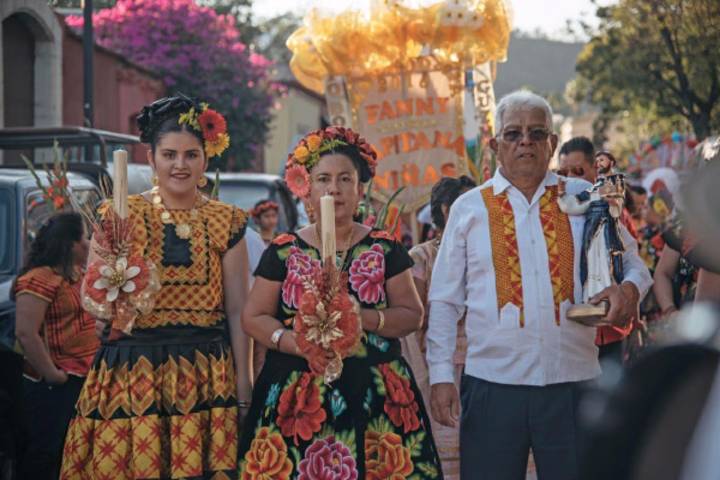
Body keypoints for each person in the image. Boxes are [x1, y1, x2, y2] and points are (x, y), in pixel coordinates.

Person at [426, 90, 652, 480]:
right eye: (513, 133)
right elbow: (445, 301)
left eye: (536, 132)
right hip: (493, 387)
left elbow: (635, 264)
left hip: (575, 382)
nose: (525, 142)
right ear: (496, 145)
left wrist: (628, 291)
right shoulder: (469, 208)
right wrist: (442, 376)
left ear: (552, 142)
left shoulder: (585, 198)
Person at [60, 95, 252, 479]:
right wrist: (108, 302)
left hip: (204, 373)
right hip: (133, 371)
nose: (180, 165)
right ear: (151, 160)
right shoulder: (121, 214)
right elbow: (94, 296)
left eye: (191, 155)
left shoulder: (226, 221)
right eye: (169, 155)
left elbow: (236, 310)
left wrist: (244, 386)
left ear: (205, 159)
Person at [240, 126, 443, 478]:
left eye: (345, 179)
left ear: (360, 189)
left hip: (375, 392)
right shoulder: (284, 250)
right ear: (306, 189)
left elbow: (412, 314)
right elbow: (253, 316)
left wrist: (359, 317)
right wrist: (294, 343)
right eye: (323, 179)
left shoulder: (385, 247)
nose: (334, 188)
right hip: (297, 395)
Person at [12, 212, 98, 479]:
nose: (89, 242)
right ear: (71, 244)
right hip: (52, 385)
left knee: (71, 451)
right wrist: (53, 375)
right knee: (46, 452)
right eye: (85, 237)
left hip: (79, 379)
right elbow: (26, 334)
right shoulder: (39, 279)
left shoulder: (76, 275)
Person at [403, 175, 475, 480]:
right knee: (449, 459)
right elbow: (414, 320)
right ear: (447, 210)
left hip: (490, 369)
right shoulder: (421, 257)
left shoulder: (489, 254)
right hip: (442, 373)